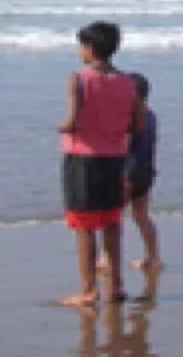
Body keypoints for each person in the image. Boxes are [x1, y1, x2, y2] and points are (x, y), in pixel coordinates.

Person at [57, 21, 144, 307]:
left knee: (84, 226)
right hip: (114, 158)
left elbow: (71, 121)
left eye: (82, 46)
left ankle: (88, 289)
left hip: (83, 158)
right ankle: (116, 284)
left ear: (90, 49)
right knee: (111, 223)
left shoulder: (79, 79)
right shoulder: (128, 81)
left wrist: (61, 127)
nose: (80, 51)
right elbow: (138, 125)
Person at [99, 73, 161, 272]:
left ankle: (107, 258)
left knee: (112, 218)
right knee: (141, 216)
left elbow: (123, 147)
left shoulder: (129, 118)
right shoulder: (151, 115)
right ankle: (153, 257)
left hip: (128, 174)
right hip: (146, 172)